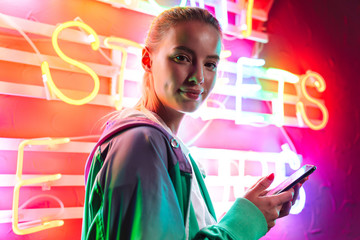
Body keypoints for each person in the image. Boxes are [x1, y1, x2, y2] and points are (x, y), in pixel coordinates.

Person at [81, 6, 303, 240]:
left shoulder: (164, 144)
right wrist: (241, 225)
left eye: (210, 64)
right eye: (182, 58)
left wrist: (249, 216)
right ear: (147, 59)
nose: (198, 76)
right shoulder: (142, 143)